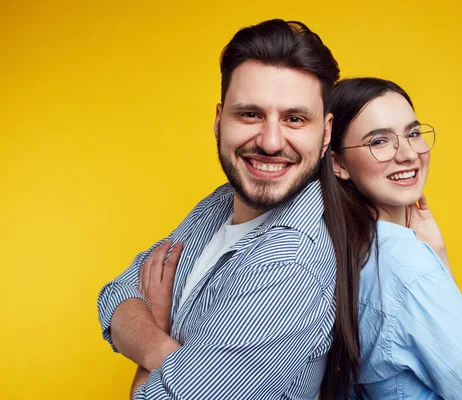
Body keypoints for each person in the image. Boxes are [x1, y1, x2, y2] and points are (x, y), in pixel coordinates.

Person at [96, 19, 357, 399]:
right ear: (219, 121)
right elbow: (115, 296)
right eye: (250, 114)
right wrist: (163, 350)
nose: (270, 142)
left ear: (326, 134)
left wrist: (155, 320)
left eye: (294, 119)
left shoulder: (287, 267)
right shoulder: (222, 201)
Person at [328, 77, 462, 399]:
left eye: (413, 133)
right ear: (338, 163)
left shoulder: (344, 251)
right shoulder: (407, 267)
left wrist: (438, 256)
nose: (408, 154)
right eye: (379, 141)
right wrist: (429, 263)